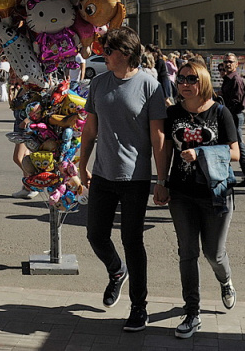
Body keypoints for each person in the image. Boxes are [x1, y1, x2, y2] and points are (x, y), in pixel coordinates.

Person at [76, 26, 167, 333]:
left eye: (109, 50)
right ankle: (117, 271)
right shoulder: (99, 83)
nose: (104, 53)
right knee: (95, 235)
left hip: (135, 179)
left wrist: (161, 180)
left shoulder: (150, 86)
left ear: (126, 54)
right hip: (102, 173)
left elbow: (158, 137)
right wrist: (81, 165)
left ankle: (139, 307)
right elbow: (90, 129)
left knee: (132, 241)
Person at [163, 60, 240, 339]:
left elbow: (235, 154)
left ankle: (225, 280)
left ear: (203, 81)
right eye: (181, 78)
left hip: (215, 193)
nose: (185, 83)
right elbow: (165, 149)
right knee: (187, 253)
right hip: (182, 193)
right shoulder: (172, 113)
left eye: (191, 79)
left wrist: (201, 153)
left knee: (213, 253)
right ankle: (192, 312)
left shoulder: (220, 112)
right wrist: (161, 182)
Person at [219, 54, 245, 187]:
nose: (227, 64)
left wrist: (225, 111)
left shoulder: (236, 79)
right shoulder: (228, 79)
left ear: (236, 64)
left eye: (230, 62)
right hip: (231, 114)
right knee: (234, 144)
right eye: (225, 62)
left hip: (235, 115)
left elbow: (238, 102)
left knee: (238, 145)